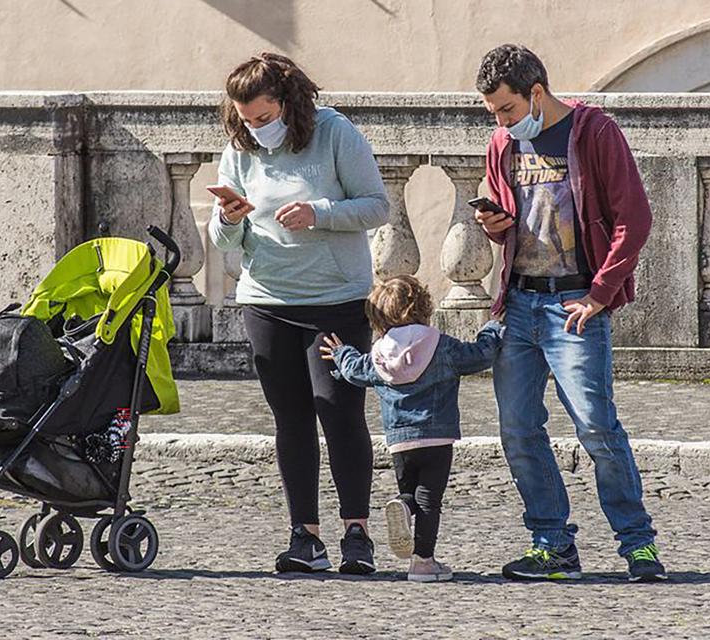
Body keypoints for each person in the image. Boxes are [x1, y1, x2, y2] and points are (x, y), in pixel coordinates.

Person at [473, 44, 667, 582]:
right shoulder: (501, 143)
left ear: (536, 93)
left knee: (597, 427)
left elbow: (635, 219)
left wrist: (602, 293)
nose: (502, 121)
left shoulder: (594, 132)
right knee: (517, 428)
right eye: (493, 112)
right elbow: (513, 218)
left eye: (507, 109)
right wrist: (496, 227)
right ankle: (552, 544)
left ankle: (638, 546)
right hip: (517, 302)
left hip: (575, 305)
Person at [207, 52, 390, 574]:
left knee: (339, 412)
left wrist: (321, 214)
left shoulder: (335, 133)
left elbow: (378, 206)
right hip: (266, 301)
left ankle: (357, 533)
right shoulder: (240, 149)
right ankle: (304, 536)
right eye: (245, 120)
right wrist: (229, 217)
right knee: (291, 419)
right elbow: (225, 241)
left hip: (335, 300)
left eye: (263, 118)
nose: (254, 128)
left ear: (287, 102)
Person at [319, 275, 504, 582]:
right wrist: (493, 327)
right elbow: (480, 355)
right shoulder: (439, 344)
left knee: (413, 495)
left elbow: (354, 371)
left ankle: (402, 505)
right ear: (425, 307)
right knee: (430, 501)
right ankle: (423, 562)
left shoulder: (379, 353)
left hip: (399, 442)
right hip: (437, 437)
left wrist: (341, 353)